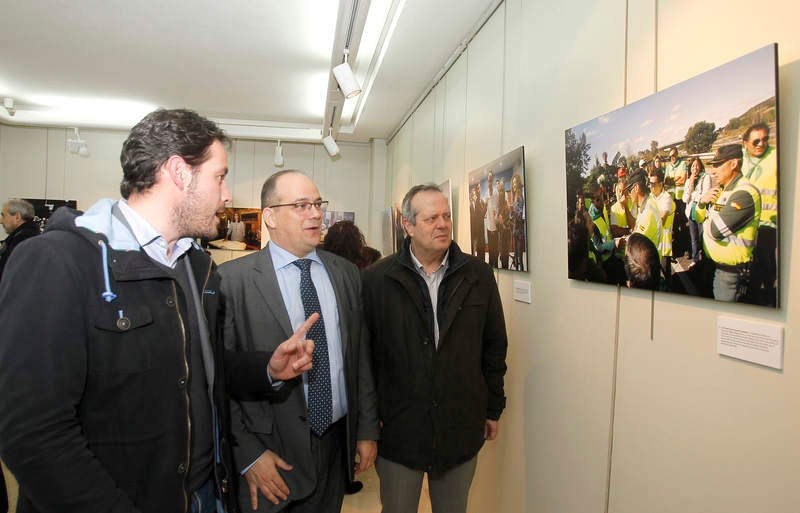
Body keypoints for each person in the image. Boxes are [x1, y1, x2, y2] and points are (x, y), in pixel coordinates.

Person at [0, 109, 319, 513]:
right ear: (178, 173)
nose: (226, 195)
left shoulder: (197, 267)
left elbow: (194, 372)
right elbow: (33, 435)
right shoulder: (57, 261)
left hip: (203, 495)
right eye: (219, 176)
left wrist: (267, 369)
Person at [218, 170, 379, 513]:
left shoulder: (345, 274)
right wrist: (246, 455)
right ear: (271, 216)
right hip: (270, 457)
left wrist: (365, 430)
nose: (317, 214)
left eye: (318, 204)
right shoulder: (232, 281)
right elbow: (218, 378)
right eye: (302, 205)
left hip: (335, 448)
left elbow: (359, 358)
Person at [362, 184, 508, 513]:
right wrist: (368, 426)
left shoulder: (478, 275)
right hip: (399, 431)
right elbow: (365, 361)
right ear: (408, 225)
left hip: (460, 426)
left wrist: (492, 408)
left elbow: (494, 346)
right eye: (431, 218)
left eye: (446, 216)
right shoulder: (376, 280)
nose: (442, 224)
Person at [695, 144, 761, 302]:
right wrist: (702, 203)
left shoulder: (744, 193)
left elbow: (715, 230)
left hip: (730, 274)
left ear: (734, 163)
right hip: (715, 266)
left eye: (718, 165)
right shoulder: (724, 190)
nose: (712, 170)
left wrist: (707, 220)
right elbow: (698, 218)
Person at [740, 123, 777, 306]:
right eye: (755, 141)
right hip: (748, 222)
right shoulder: (742, 161)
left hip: (769, 223)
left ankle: (766, 293)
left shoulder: (776, 157)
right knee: (752, 259)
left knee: (764, 261)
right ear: (745, 143)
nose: (761, 144)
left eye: (765, 139)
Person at [683, 157, 715, 267]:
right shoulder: (688, 180)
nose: (695, 168)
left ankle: (706, 260)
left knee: (703, 237)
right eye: (692, 166)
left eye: (697, 165)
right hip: (690, 212)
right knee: (694, 238)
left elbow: (706, 195)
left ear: (700, 166)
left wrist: (693, 195)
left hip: (701, 212)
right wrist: (691, 183)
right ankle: (695, 259)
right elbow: (685, 198)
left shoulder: (706, 177)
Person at [648, 168, 675, 287]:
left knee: (664, 277)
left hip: (664, 247)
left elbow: (662, 220)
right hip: (653, 243)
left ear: (661, 184)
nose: (650, 186)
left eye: (653, 184)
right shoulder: (650, 197)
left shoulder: (667, 198)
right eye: (649, 184)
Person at [0, 199, 39, 281]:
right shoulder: (27, 236)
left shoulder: (23, 240)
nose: (1, 221)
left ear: (17, 217)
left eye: (3, 216)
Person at [484, 171, 500, 268]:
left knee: (495, 249)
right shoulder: (486, 193)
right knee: (490, 249)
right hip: (489, 226)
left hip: (496, 226)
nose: (489, 182)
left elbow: (497, 208)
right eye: (488, 180)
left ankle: (496, 266)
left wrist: (496, 215)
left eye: (491, 179)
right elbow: (485, 206)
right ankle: (491, 267)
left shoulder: (496, 192)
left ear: (492, 180)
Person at [510, 173, 526, 271]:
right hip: (515, 226)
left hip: (519, 227)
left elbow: (520, 213)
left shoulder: (520, 194)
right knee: (516, 251)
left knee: (519, 252)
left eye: (515, 183)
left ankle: (521, 269)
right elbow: (515, 212)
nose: (514, 185)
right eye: (513, 183)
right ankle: (517, 268)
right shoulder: (514, 195)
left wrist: (514, 213)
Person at [469, 185, 486, 262]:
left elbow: (482, 215)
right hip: (472, 230)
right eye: (472, 195)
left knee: (480, 248)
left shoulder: (481, 202)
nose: (474, 196)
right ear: (471, 196)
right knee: (472, 248)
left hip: (479, 230)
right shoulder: (469, 205)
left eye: (475, 194)